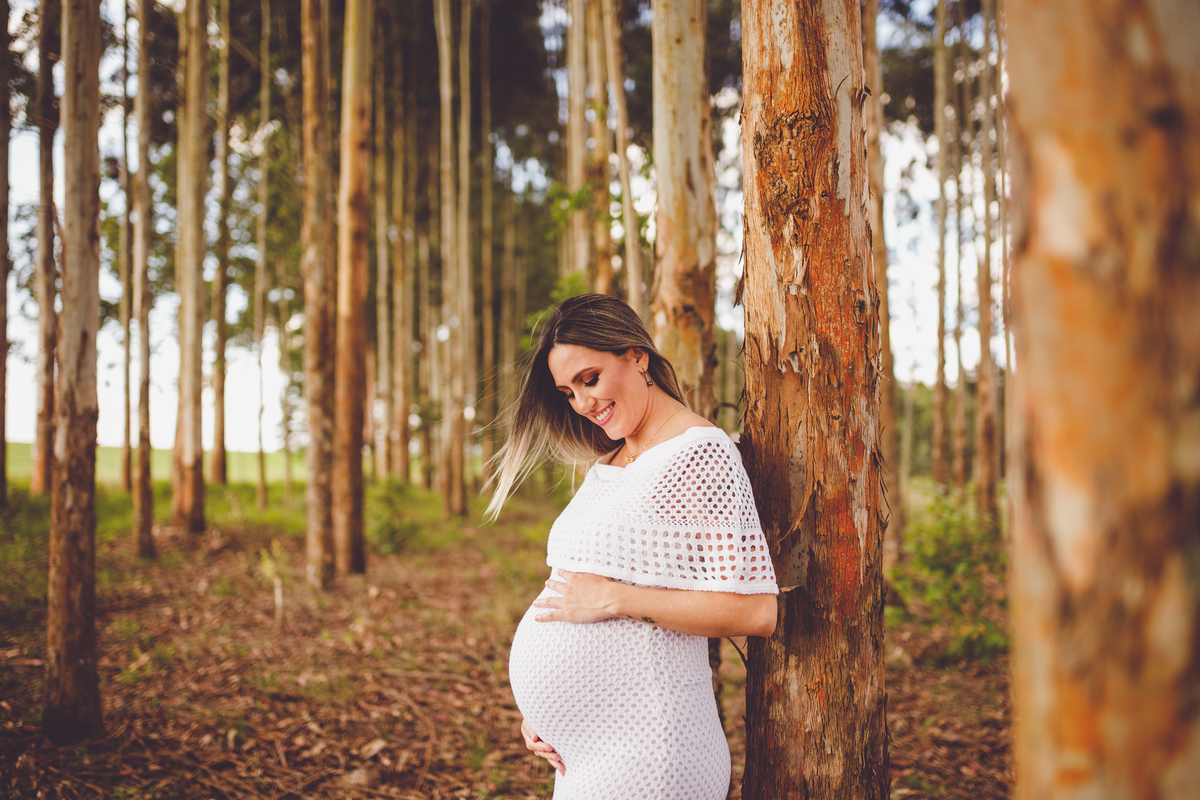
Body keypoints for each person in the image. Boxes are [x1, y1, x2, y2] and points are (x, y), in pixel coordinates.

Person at [486, 293, 779, 800]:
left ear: (637, 357)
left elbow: (755, 612)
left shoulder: (699, 452)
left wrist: (615, 600)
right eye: (568, 392)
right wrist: (546, 716)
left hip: (651, 750)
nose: (582, 404)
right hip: (586, 753)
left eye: (590, 379)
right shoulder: (611, 461)